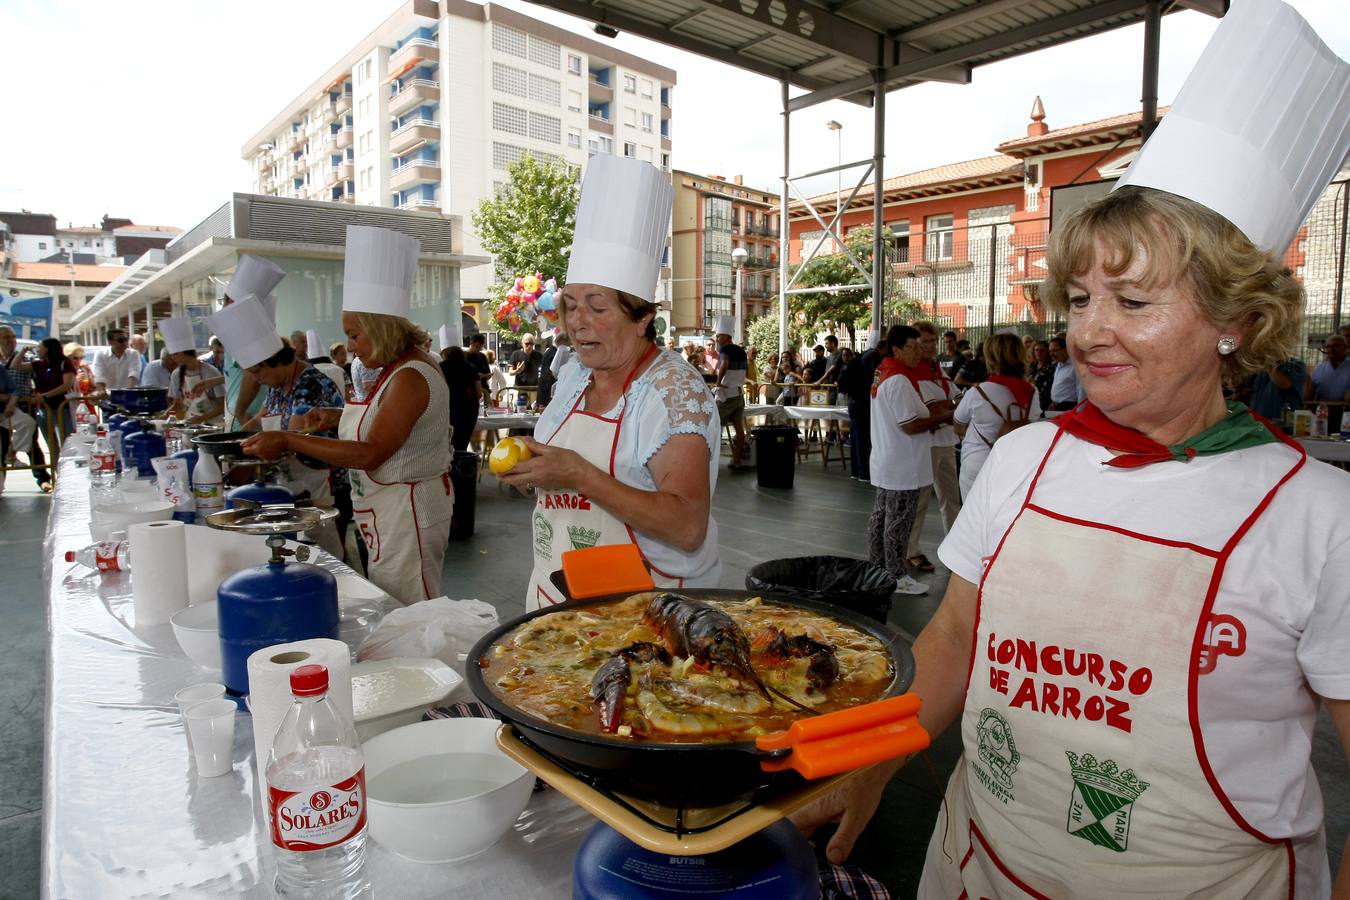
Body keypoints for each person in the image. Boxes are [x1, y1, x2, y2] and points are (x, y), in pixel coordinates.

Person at [794, 5, 1350, 892]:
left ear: (1238, 322)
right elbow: (952, 641)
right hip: (977, 868)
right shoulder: (1026, 460)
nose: (1090, 333)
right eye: (1081, 298)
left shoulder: (1319, 519)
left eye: (1132, 304)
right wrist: (874, 762)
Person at [496, 156, 721, 611]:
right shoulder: (576, 375)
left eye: (598, 308)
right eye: (571, 304)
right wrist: (538, 471)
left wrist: (578, 474)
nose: (578, 323)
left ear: (642, 318)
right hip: (556, 592)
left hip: (642, 609)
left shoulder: (674, 394)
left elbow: (687, 526)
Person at [244, 225, 452, 604]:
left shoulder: (410, 375)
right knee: (393, 601)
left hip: (407, 511)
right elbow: (388, 421)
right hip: (387, 509)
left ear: (382, 328)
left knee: (411, 611)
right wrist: (333, 414)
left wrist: (290, 439)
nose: (352, 348)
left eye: (356, 335)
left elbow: (371, 452)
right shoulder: (394, 369)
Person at [867, 325, 948, 595]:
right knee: (898, 522)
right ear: (897, 349)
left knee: (882, 518)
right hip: (903, 463)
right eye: (913, 347)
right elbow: (910, 425)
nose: (919, 352)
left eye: (921, 346)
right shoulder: (899, 380)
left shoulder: (885, 374)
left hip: (888, 458)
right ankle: (896, 576)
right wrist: (945, 417)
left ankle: (877, 568)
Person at [952, 332, 1042, 499]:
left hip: (978, 462)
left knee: (973, 519)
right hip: (1014, 465)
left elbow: (958, 424)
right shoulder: (1032, 392)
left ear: (991, 359)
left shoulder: (978, 392)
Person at [907, 321, 961, 571]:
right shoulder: (912, 372)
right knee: (921, 500)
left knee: (951, 497)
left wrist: (948, 407)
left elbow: (956, 398)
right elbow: (936, 408)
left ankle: (956, 545)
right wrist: (948, 407)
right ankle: (911, 549)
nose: (929, 346)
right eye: (924, 342)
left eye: (932, 341)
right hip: (926, 444)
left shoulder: (936, 369)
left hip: (946, 440)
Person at [160, 316, 225, 425]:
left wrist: (201, 419)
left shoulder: (210, 372)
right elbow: (178, 404)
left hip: (213, 425)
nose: (173, 358)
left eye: (176, 354)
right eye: (172, 355)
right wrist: (163, 416)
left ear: (187, 352)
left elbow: (223, 405)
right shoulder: (176, 374)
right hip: (190, 422)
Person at [712, 317, 748, 470]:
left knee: (712, 425)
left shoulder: (724, 350)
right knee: (739, 429)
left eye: (719, 336)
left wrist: (718, 382)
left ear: (726, 336)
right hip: (739, 394)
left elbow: (725, 364)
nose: (717, 339)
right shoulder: (741, 350)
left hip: (727, 395)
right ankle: (737, 460)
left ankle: (709, 462)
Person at [30, 337, 76, 454]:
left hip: (62, 408)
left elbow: (67, 385)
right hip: (44, 409)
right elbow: (16, 365)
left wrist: (45, 396)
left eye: (39, 347)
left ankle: (67, 468)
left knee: (67, 441)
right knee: (51, 444)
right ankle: (55, 469)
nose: (37, 350)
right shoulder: (38, 364)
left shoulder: (64, 363)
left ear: (47, 349)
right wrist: (23, 350)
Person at [440, 341, 481, 452]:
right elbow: (479, 393)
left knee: (447, 445)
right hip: (468, 410)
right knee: (462, 445)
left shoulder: (440, 367)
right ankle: (461, 465)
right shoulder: (470, 367)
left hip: (448, 409)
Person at [1307, 333, 1350, 433]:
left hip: (1346, 415)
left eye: (1336, 346)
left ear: (1346, 347)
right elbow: (1311, 393)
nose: (1331, 349)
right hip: (1322, 413)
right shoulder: (1320, 368)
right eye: (1328, 346)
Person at [1243, 355, 1308, 421]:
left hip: (1282, 424)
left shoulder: (1296, 365)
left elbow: (1285, 384)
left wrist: (1269, 364)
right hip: (1258, 422)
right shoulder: (1261, 369)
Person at [1048, 333, 1080, 410]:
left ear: (1066, 350)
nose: (1052, 354)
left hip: (1069, 407)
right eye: (1050, 351)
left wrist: (1079, 410)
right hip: (1056, 406)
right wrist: (1054, 401)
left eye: (1055, 351)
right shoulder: (1059, 364)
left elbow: (1081, 390)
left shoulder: (1075, 366)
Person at [508, 334, 543, 398]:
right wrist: (517, 371)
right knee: (519, 407)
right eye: (527, 343)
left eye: (531, 344)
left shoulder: (539, 355)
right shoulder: (516, 354)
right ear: (522, 344)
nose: (529, 346)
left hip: (534, 390)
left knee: (533, 408)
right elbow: (510, 372)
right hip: (520, 389)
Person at [1028, 338, 1055, 412]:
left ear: (1047, 352)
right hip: (1032, 401)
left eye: (1042, 350)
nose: (1039, 352)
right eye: (1036, 350)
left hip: (1045, 401)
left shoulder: (1052, 367)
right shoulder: (1031, 366)